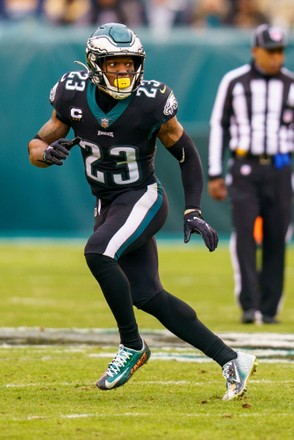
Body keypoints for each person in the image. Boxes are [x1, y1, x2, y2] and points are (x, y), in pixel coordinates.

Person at [28, 22, 257, 400]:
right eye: (115, 64)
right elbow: (37, 143)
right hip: (107, 203)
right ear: (94, 63)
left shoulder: (151, 101)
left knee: (98, 253)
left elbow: (186, 154)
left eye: (129, 63)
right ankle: (231, 359)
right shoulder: (71, 93)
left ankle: (132, 345)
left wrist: (193, 210)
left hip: (141, 197)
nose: (124, 71)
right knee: (148, 295)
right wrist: (45, 154)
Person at [208, 24, 293, 325]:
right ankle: (249, 304)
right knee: (244, 233)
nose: (275, 58)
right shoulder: (234, 81)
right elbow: (219, 125)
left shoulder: (291, 84)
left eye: (280, 51)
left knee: (277, 236)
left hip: (282, 168)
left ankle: (269, 308)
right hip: (244, 167)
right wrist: (215, 172)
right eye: (270, 51)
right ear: (255, 50)